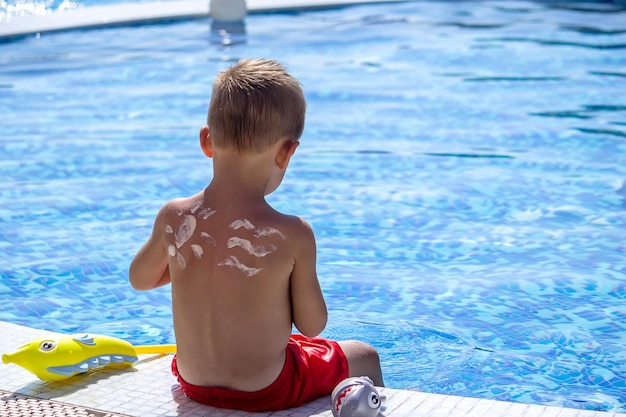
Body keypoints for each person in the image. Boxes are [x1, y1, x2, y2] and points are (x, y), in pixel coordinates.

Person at [128, 58, 384, 412]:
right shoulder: (293, 233)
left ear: (207, 140)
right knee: (363, 354)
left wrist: (187, 260)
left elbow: (140, 279)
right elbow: (312, 326)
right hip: (267, 390)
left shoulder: (175, 217)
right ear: (286, 152)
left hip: (193, 383)